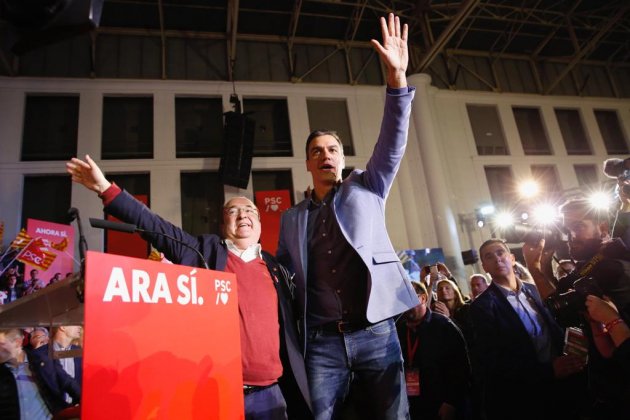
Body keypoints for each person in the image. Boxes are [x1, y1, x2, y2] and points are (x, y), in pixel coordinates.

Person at [66, 156, 311, 419]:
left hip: (271, 396)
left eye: (250, 210)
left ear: (260, 224)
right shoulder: (203, 253)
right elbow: (155, 226)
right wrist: (106, 188)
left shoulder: (278, 270)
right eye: (233, 211)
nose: (243, 215)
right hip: (218, 392)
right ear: (222, 225)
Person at [276, 13, 418, 419]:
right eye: (317, 151)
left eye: (332, 149)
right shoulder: (291, 219)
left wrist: (396, 81)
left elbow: (393, 140)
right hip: (321, 342)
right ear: (307, 162)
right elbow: (281, 275)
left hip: (376, 332)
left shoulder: (367, 185)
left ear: (342, 158)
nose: (325, 155)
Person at [523, 197, 630, 418]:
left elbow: (562, 310)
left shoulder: (611, 265)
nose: (571, 236)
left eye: (578, 227)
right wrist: (544, 264)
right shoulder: (589, 266)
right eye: (568, 229)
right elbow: (564, 292)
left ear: (601, 228)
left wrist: (534, 270)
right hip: (606, 380)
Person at [470, 239, 586, 420]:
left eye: (500, 253)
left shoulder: (534, 290)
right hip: (527, 394)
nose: (497, 259)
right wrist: (547, 371)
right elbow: (493, 360)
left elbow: (555, 327)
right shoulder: (482, 306)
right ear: (485, 267)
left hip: (563, 383)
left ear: (512, 258)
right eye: (489, 257)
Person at [397, 281, 471, 420]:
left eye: (409, 299)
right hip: (412, 405)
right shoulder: (398, 329)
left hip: (441, 404)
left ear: (423, 298)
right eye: (401, 300)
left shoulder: (444, 326)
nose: (405, 305)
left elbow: (461, 367)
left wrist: (451, 402)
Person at [0, 328, 81, 419]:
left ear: (17, 342)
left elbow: (66, 381)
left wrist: (85, 403)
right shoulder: (3, 373)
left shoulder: (42, 361)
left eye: (2, 344)